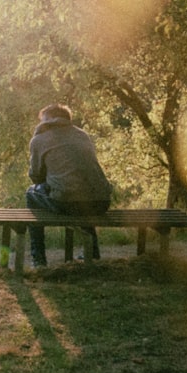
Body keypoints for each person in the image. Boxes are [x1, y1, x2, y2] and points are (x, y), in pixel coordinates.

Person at [26, 104, 112, 266]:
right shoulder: (82, 135)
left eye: (42, 120)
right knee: (83, 194)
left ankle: (38, 258)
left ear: (49, 119)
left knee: (31, 194)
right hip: (102, 202)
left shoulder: (39, 139)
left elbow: (36, 177)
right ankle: (92, 252)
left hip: (67, 203)